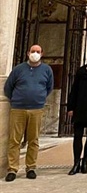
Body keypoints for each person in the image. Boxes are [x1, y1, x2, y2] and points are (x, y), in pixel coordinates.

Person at [4, 45, 53, 182]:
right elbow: (8, 87)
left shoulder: (46, 70)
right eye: (33, 51)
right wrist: (16, 99)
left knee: (33, 139)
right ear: (27, 53)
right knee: (15, 140)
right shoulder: (19, 69)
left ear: (42, 54)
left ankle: (31, 167)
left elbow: (49, 87)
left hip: (36, 108)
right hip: (18, 108)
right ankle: (12, 168)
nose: (35, 54)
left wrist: (39, 97)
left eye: (38, 52)